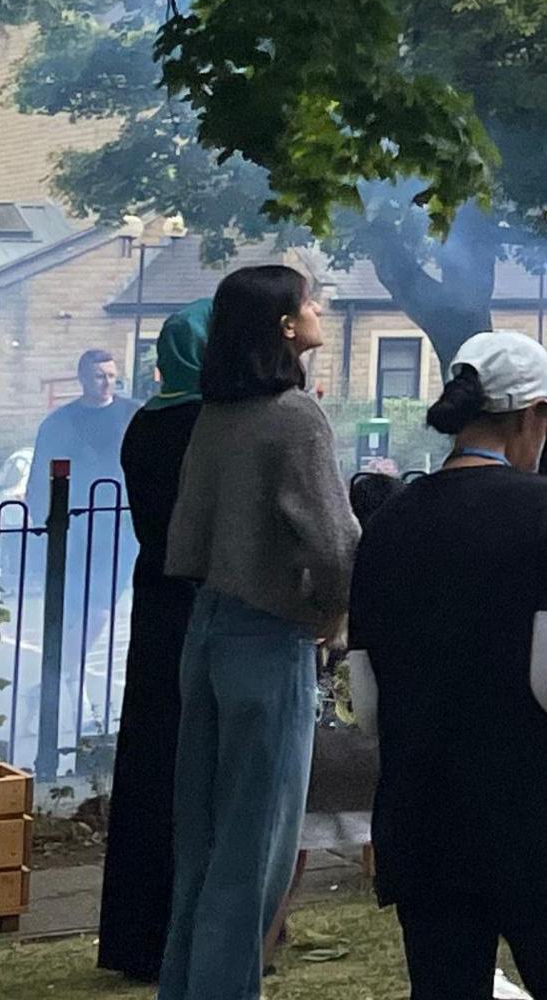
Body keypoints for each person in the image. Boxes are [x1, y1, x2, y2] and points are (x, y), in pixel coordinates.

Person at [350, 333, 547, 1000]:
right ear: (530, 417)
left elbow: (367, 706)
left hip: (423, 820)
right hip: (535, 820)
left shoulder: (389, 523)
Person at [158, 263, 357, 1000]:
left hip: (205, 631)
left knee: (204, 846)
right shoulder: (294, 415)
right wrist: (330, 613)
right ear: (283, 325)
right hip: (269, 635)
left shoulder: (217, 411)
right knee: (257, 853)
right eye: (309, 299)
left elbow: (187, 531)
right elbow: (335, 544)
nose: (319, 307)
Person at [98, 301, 214, 981]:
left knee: (150, 760)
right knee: (197, 763)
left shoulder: (146, 420)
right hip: (201, 596)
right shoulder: (212, 423)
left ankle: (134, 935)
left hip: (156, 594)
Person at [36, 346, 138, 504]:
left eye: (111, 376)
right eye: (99, 377)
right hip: (78, 512)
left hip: (123, 510)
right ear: (82, 378)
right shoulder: (59, 422)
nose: (107, 383)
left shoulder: (134, 415)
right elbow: (40, 476)